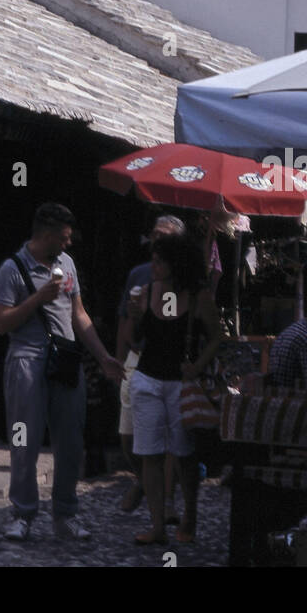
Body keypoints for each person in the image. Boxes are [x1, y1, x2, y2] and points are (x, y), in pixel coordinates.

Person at [0, 202, 124, 542]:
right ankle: (22, 514)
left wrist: (104, 356)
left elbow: (78, 315)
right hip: (27, 361)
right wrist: (37, 298)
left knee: (71, 443)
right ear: (46, 236)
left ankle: (65, 515)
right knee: (25, 442)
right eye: (63, 238)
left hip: (65, 361)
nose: (68, 244)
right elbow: (0, 323)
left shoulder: (67, 264)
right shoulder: (12, 268)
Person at [126, 233, 224, 545]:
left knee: (184, 454)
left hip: (181, 386)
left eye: (159, 261)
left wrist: (197, 365)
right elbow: (134, 339)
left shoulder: (198, 296)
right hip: (148, 379)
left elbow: (217, 337)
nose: (152, 266)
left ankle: (190, 515)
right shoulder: (147, 291)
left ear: (176, 264)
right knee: (150, 453)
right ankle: (157, 526)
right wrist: (135, 315)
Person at [115, 215, 185, 512]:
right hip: (136, 359)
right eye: (155, 234)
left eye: (165, 236)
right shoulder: (139, 274)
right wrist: (116, 361)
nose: (157, 240)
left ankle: (165, 500)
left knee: (165, 438)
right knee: (128, 436)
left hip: (166, 364)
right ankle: (144, 480)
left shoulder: (185, 278)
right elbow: (124, 321)